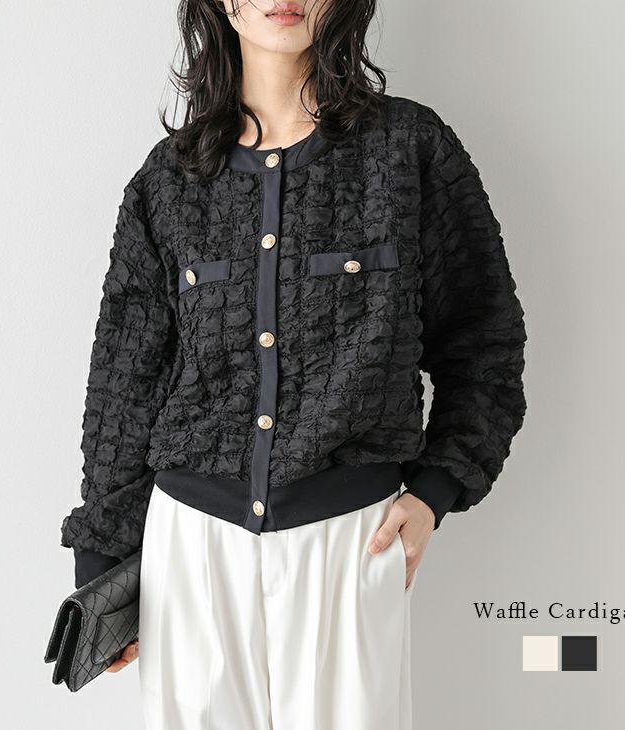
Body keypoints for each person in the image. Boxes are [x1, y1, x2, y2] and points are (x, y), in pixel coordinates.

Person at [58, 0, 527, 727]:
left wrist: (436, 490)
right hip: (190, 552)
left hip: (350, 541)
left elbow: (484, 340)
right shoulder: (168, 181)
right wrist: (103, 565)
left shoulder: (409, 150)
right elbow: (125, 382)